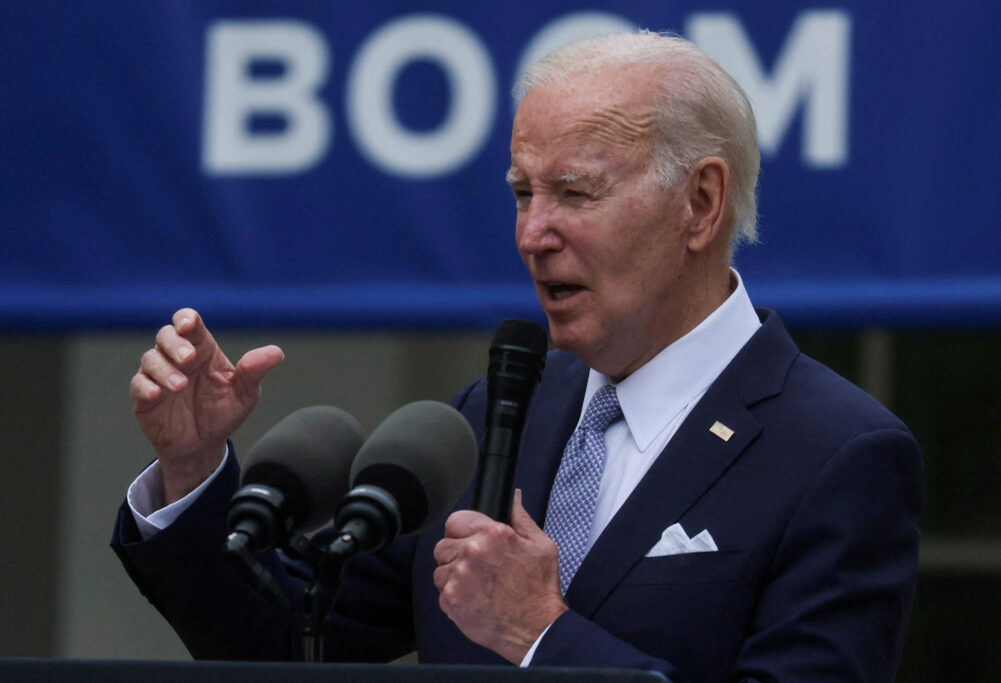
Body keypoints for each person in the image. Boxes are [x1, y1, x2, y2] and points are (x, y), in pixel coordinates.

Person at [112, 31, 923, 682]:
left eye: (575, 193)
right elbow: (292, 643)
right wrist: (192, 469)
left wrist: (543, 633)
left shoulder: (838, 453)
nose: (532, 234)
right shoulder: (492, 417)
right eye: (521, 193)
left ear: (700, 204)